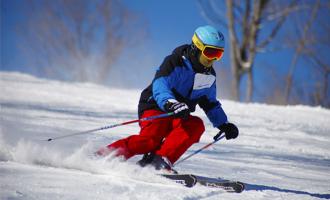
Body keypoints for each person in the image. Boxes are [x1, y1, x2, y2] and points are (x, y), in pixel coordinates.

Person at [96, 25, 239, 171]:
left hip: (179, 113)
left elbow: (210, 103)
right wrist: (171, 103)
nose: (213, 59)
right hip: (156, 106)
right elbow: (160, 85)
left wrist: (224, 124)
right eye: (210, 52)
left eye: (218, 54)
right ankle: (103, 156)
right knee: (150, 140)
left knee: (195, 125)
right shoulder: (175, 62)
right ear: (197, 47)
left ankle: (158, 161)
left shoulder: (208, 76)